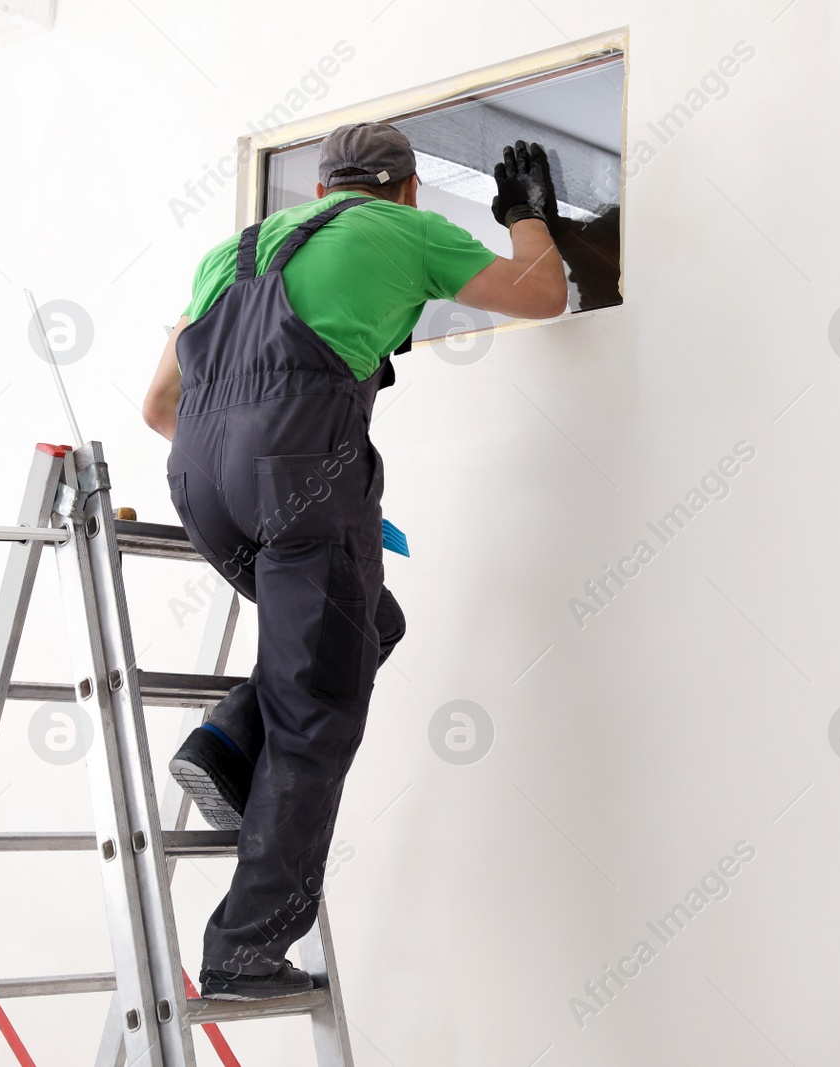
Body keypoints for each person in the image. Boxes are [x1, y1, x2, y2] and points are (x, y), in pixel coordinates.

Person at [141, 123, 567, 1000]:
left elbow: (157, 406)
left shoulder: (231, 253)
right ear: (406, 189)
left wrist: (267, 475)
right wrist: (526, 215)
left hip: (199, 481)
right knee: (319, 708)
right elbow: (544, 292)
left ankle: (227, 740)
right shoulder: (403, 231)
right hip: (294, 473)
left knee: (370, 621)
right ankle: (244, 950)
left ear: (325, 187)